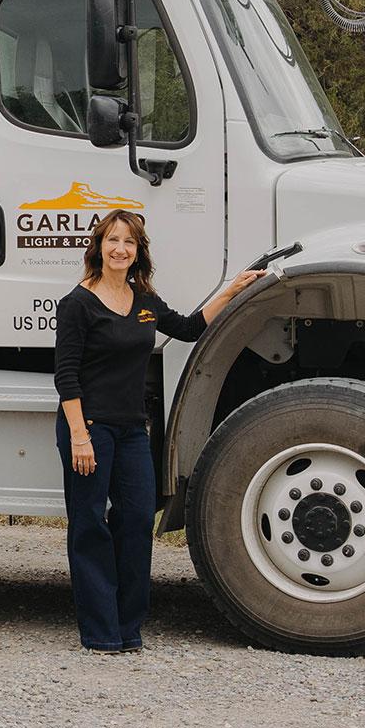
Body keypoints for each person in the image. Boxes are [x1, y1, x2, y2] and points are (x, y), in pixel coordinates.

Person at [54, 209, 265, 653]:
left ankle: (129, 628)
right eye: (112, 240)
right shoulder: (77, 303)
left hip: (132, 430)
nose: (120, 249)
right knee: (89, 524)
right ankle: (99, 631)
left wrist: (234, 288)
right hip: (88, 427)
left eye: (128, 242)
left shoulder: (144, 300)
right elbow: (66, 376)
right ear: (98, 247)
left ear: (137, 252)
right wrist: (79, 435)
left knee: (135, 520)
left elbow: (188, 329)